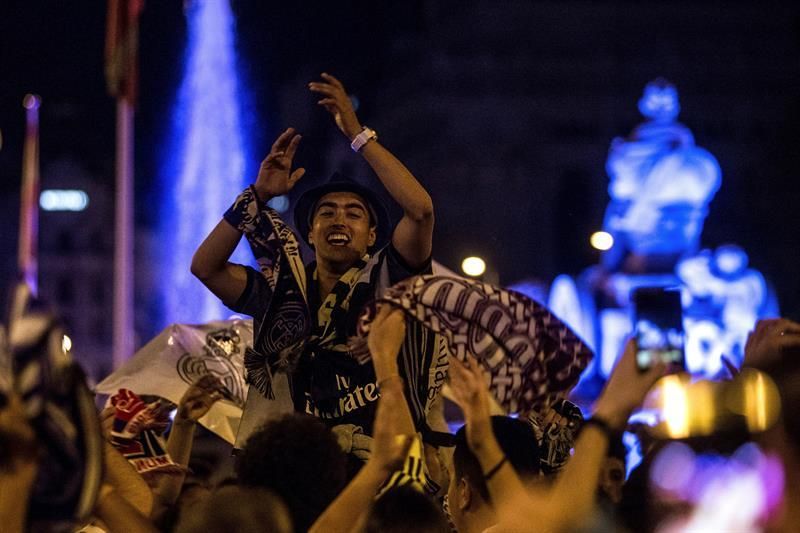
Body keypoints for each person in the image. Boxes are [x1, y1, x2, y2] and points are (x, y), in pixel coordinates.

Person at [191, 72, 438, 437]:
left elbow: (420, 210)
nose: (339, 219)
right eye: (327, 212)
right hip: (292, 469)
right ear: (309, 233)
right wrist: (256, 196)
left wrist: (358, 136)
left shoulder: (388, 281)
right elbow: (205, 267)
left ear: (372, 237)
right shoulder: (280, 290)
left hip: (373, 469)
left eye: (354, 213)